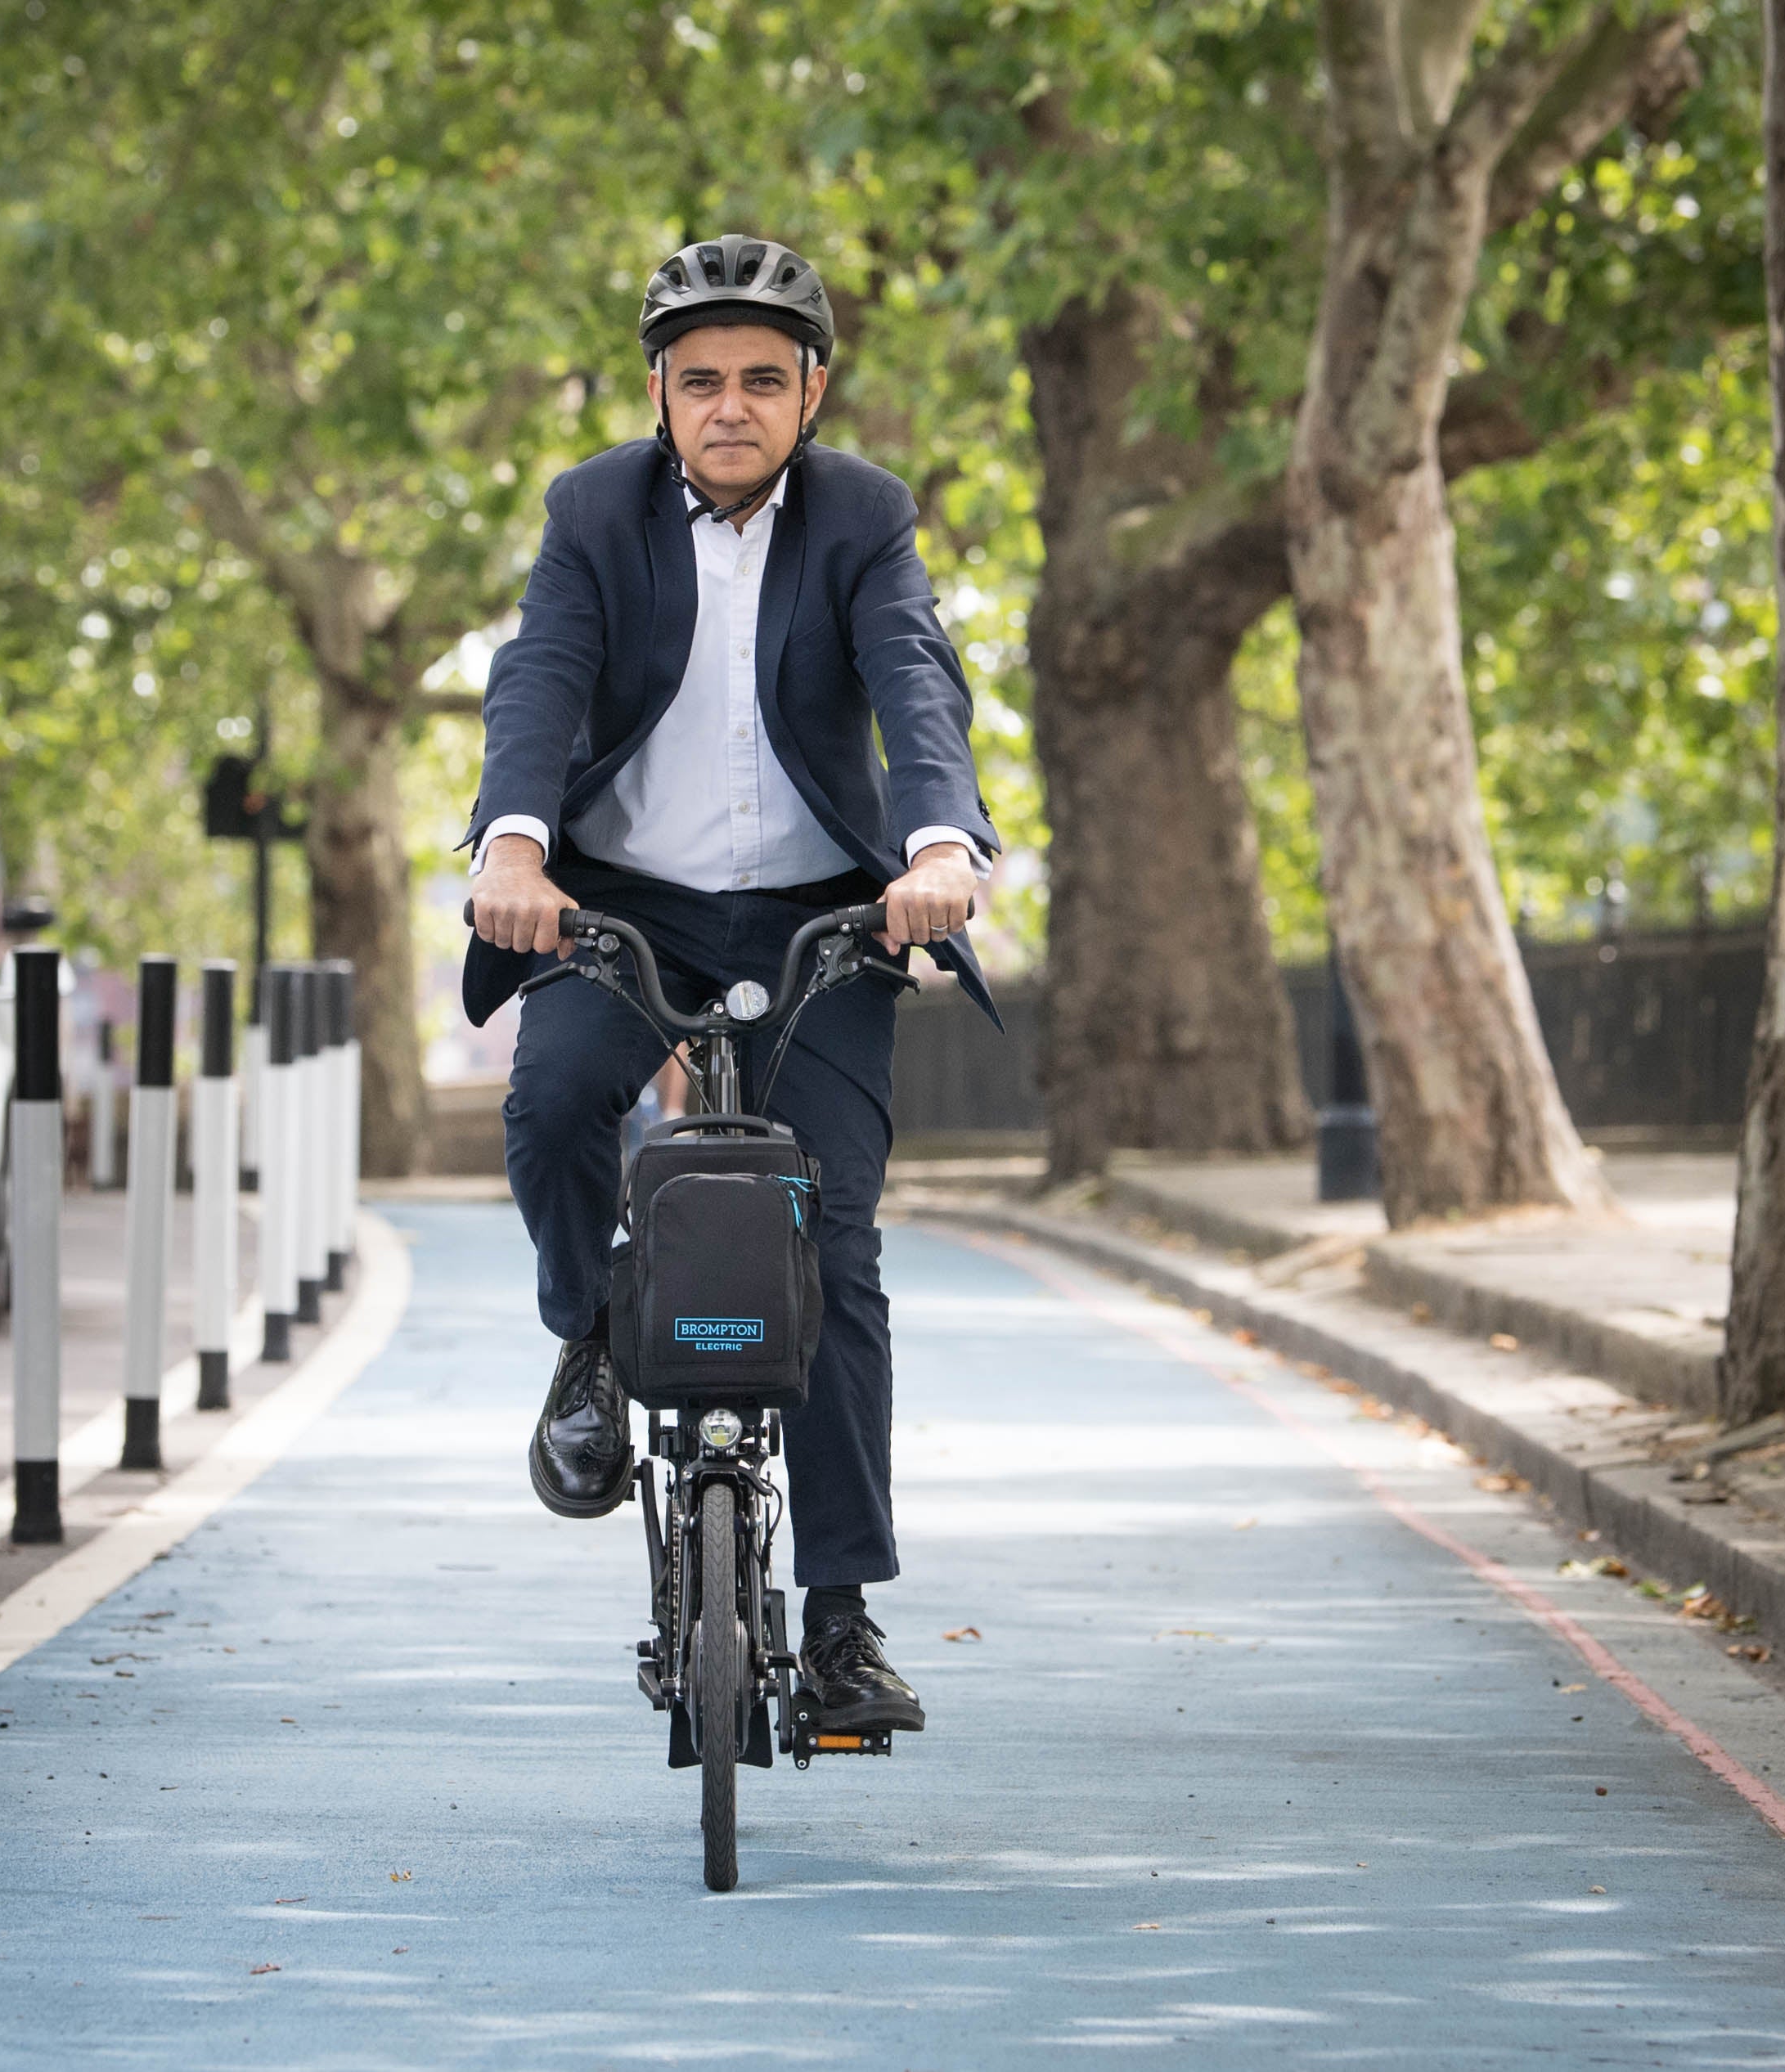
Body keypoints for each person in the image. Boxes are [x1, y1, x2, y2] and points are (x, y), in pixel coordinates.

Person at [462, 234, 997, 1735]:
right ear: (659, 393)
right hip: (619, 900)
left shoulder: (865, 519)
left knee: (836, 1235)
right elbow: (540, 680)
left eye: (765, 378)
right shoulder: (591, 511)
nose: (732, 405)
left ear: (813, 392)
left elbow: (914, 682)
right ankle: (585, 1341)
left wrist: (938, 842)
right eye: (701, 380)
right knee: (557, 1101)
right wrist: (515, 842)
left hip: (822, 911)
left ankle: (840, 1623)